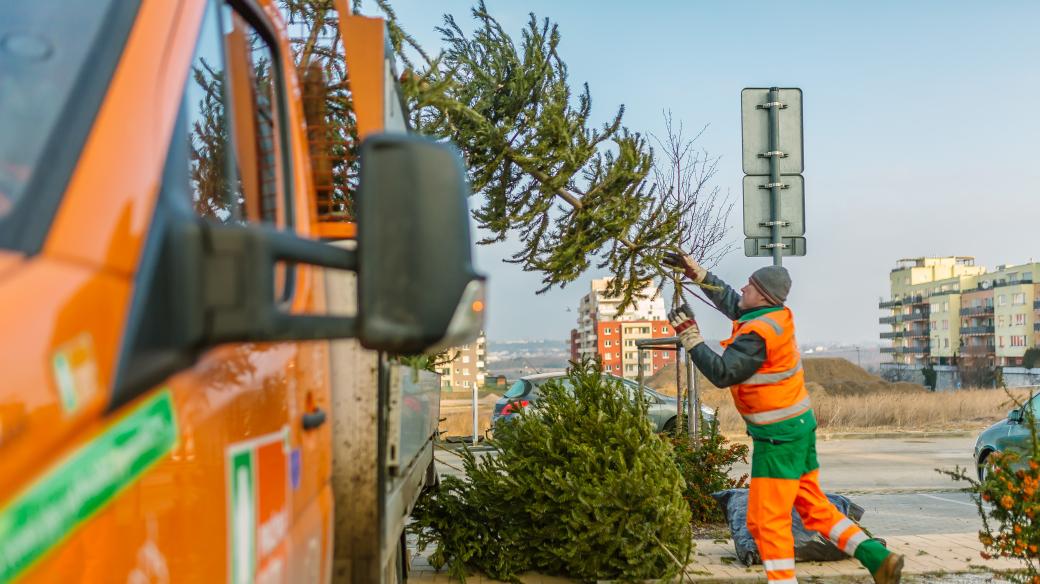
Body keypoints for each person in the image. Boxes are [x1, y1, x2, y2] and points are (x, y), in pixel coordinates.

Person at [662, 252, 903, 584]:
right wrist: (698, 273)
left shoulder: (758, 334)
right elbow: (732, 300)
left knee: (766, 521)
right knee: (813, 507)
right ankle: (879, 559)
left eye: (750, 284)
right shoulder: (771, 315)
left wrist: (691, 339)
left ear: (762, 294)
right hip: (797, 428)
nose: (743, 287)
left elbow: (723, 372)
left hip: (778, 441)